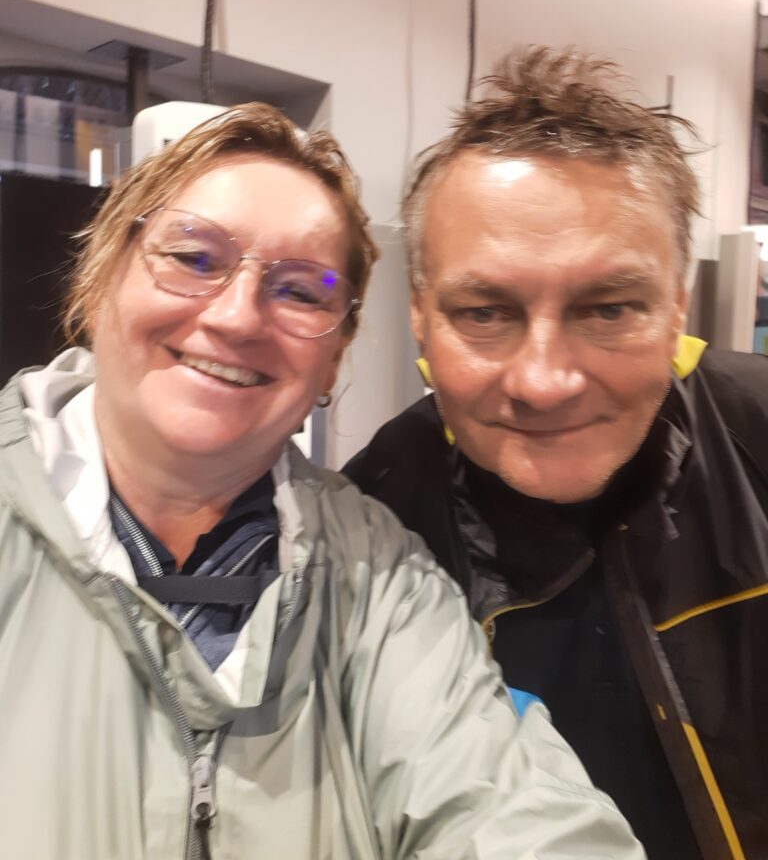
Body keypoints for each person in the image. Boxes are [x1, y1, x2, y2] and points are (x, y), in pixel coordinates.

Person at [0, 102, 644, 859]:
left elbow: (508, 809)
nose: (238, 317)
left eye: (302, 291)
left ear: (333, 359)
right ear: (99, 279)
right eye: (194, 258)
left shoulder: (379, 577)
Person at [344, 48, 768, 860]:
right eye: (485, 312)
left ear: (677, 303)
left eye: (608, 309)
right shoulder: (365, 535)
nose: (544, 383)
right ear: (420, 316)